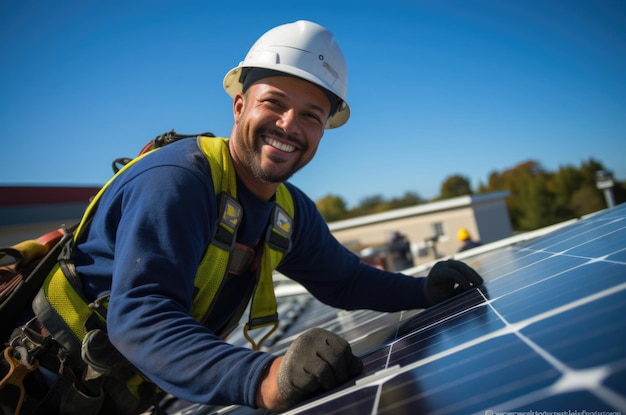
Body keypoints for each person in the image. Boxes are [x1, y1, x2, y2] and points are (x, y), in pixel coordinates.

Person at [11, 20, 483, 414]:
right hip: (38, 387)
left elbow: (345, 281)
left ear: (323, 130)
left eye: (311, 115)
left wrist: (423, 291)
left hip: (112, 397)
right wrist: (266, 378)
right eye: (273, 103)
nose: (288, 126)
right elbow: (139, 316)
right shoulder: (180, 180)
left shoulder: (287, 211)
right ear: (240, 106)